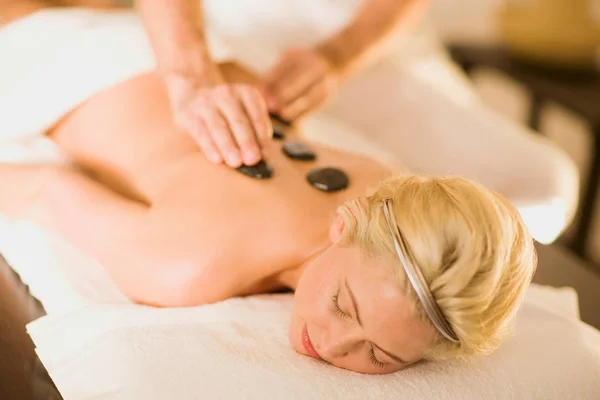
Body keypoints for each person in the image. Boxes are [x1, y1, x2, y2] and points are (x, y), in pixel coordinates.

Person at [0, 3, 536, 375]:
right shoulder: (188, 268)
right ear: (342, 223)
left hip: (219, 54)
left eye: (379, 356)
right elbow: (43, 190)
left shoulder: (390, 190)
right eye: (343, 306)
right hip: (80, 64)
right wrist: (185, 75)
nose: (330, 344)